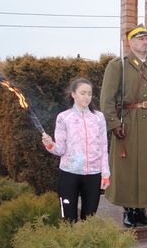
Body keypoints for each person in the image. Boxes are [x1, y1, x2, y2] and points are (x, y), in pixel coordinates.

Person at [100, 24, 147, 227]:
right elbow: (107, 99)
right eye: (140, 38)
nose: (145, 42)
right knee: (127, 169)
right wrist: (113, 123)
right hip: (127, 124)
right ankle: (128, 211)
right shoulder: (118, 66)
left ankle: (141, 211)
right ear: (130, 42)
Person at [42, 78, 110, 222]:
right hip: (69, 174)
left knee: (89, 219)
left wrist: (105, 174)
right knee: (67, 219)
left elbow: (104, 147)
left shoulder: (98, 117)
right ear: (73, 94)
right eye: (83, 93)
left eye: (89, 94)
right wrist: (49, 145)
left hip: (93, 174)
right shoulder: (64, 118)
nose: (87, 97)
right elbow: (60, 150)